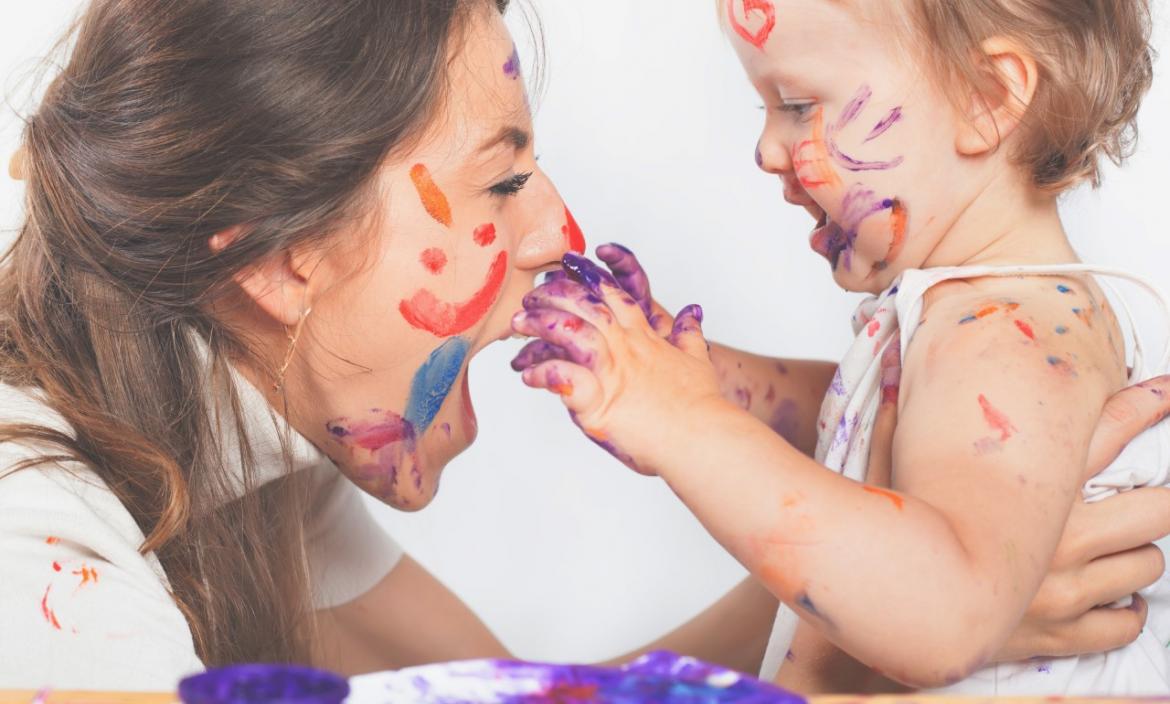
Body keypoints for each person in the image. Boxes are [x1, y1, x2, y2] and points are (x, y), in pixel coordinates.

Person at [1, 0, 1168, 694]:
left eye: (801, 105)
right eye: (501, 179)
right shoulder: (32, 549)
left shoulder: (245, 465)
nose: (559, 232)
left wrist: (875, 597)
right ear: (277, 260)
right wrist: (871, 646)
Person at [511, 0, 1170, 694]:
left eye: (796, 105)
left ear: (986, 99)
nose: (766, 150)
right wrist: (692, 372)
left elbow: (945, 615)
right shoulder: (969, 320)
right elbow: (847, 414)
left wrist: (681, 422)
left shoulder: (1007, 338)